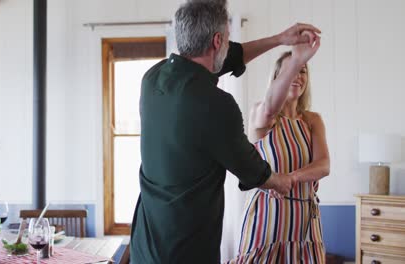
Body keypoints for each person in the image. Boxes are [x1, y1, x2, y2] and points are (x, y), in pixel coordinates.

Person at [130, 1, 321, 263]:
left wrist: (280, 39)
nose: (230, 46)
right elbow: (250, 167)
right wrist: (280, 181)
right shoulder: (215, 104)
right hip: (186, 247)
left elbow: (228, 57)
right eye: (229, 39)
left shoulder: (152, 77)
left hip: (145, 243)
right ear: (218, 40)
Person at [228, 39, 329, 263]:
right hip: (266, 219)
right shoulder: (262, 114)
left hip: (305, 223)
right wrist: (296, 61)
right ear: (277, 79)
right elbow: (270, 107)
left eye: (302, 69)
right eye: (290, 70)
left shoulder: (313, 120)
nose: (297, 75)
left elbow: (324, 165)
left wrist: (289, 178)